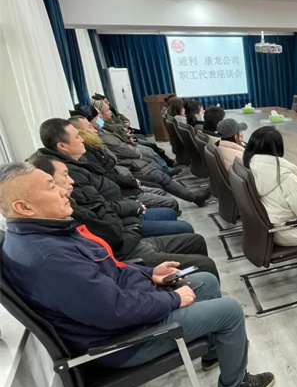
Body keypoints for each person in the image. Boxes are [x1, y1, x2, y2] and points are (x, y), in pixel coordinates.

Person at [0, 162, 274, 387]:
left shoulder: (47, 236)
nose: (63, 190)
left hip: (127, 314)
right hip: (124, 341)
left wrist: (151, 274)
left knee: (206, 281)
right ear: (24, 207)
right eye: (51, 186)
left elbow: (109, 271)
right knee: (230, 311)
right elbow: (114, 310)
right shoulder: (49, 258)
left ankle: (213, 352)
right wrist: (173, 300)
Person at [26, 154, 219, 276]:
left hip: (129, 235)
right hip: (129, 251)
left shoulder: (71, 201)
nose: (71, 181)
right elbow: (113, 233)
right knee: (205, 264)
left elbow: (109, 215)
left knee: (195, 240)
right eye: (62, 178)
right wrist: (132, 222)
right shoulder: (66, 216)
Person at [30, 154, 193, 238]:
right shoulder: (68, 200)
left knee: (169, 211)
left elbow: (103, 205)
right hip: (126, 231)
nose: (70, 181)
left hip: (123, 210)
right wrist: (133, 214)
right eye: (78, 136)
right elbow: (111, 231)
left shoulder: (79, 164)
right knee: (183, 226)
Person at [66, 115, 211, 206]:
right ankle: (191, 198)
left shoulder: (95, 142)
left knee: (153, 163)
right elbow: (108, 173)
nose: (94, 128)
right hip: (123, 178)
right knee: (157, 176)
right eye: (90, 127)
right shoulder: (88, 150)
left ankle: (192, 196)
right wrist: (131, 181)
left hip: (124, 173)